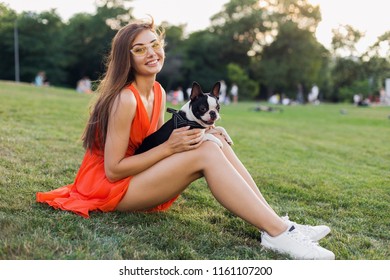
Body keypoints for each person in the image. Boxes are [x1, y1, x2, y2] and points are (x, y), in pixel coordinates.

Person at [36, 18, 334, 260]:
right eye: (140, 49)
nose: (151, 53)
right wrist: (171, 147)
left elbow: (149, 143)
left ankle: (279, 225)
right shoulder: (125, 100)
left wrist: (204, 131)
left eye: (155, 44)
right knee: (206, 152)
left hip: (133, 178)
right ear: (126, 58)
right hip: (107, 187)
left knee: (212, 141)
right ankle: (279, 233)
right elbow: (113, 169)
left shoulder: (158, 91)